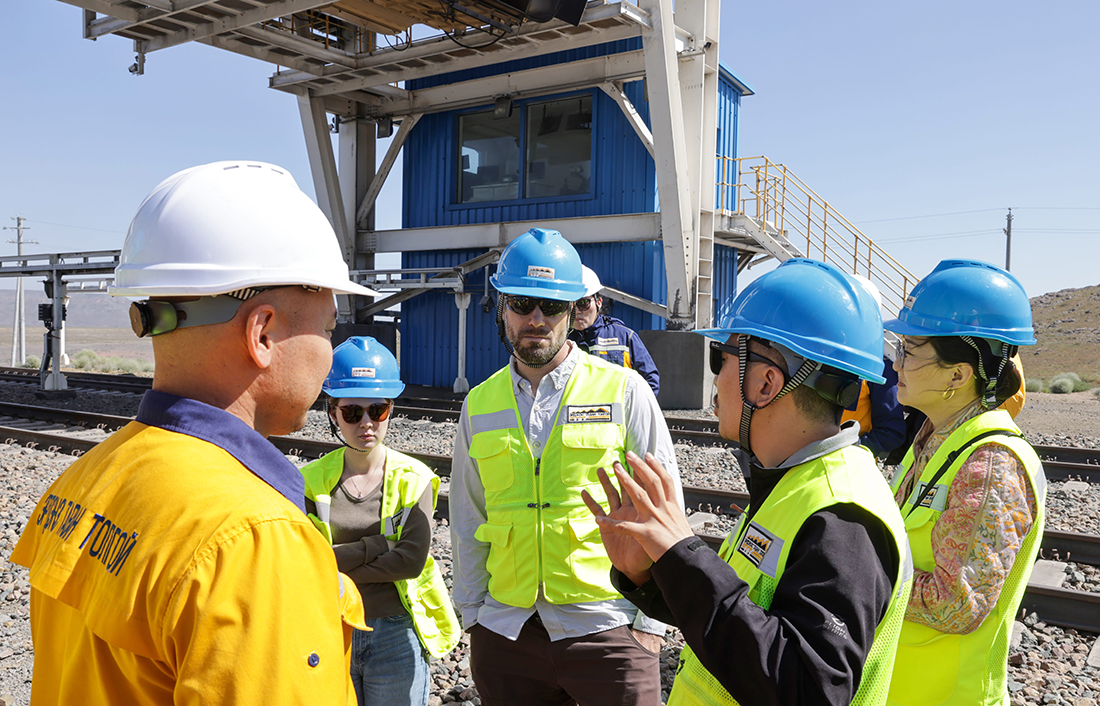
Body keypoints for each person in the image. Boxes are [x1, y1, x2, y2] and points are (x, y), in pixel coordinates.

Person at [11, 161, 379, 705]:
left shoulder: (86, 477)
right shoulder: (254, 538)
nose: (331, 352)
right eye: (327, 329)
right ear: (263, 334)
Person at [583, 257, 913, 706]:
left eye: (722, 359)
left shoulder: (842, 519)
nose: (715, 380)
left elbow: (808, 689)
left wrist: (685, 554)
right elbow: (742, 622)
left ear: (765, 383)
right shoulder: (791, 481)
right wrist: (652, 572)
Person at [450, 227, 682, 706]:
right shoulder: (479, 404)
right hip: (506, 632)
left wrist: (652, 626)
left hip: (608, 627)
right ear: (501, 307)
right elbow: (468, 516)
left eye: (551, 306)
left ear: (574, 312)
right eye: (521, 303)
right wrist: (473, 615)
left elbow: (666, 507)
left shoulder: (624, 391)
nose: (536, 318)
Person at [882, 259, 1046, 706]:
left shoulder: (991, 465)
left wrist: (859, 576)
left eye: (909, 351)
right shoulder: (938, 440)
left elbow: (956, 602)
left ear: (957, 375)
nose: (895, 364)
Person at [300, 336, 460, 705]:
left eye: (378, 410)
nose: (367, 422)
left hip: (394, 633)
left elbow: (410, 561)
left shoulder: (415, 477)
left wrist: (335, 566)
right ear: (333, 411)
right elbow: (307, 562)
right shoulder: (310, 480)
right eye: (353, 412)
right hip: (331, 629)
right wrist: (378, 546)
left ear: (391, 409)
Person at [569, 265, 661, 396]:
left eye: (583, 303)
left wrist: (632, 412)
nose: (577, 311)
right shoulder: (559, 340)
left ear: (599, 301)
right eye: (571, 304)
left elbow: (650, 381)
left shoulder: (625, 337)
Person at [841, 355, 907, 459]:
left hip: (846, 464)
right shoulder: (810, 353)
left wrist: (847, 451)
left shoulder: (878, 365)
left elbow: (891, 432)